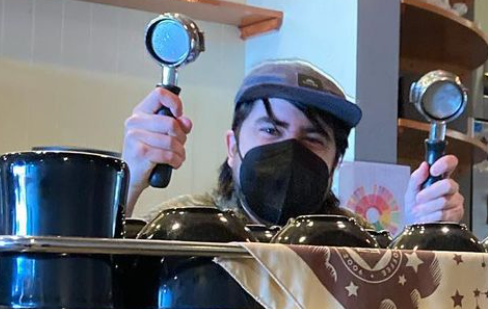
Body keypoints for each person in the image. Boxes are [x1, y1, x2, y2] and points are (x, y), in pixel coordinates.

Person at [122, 59, 465, 228]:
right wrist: (128, 184)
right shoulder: (182, 224)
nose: (290, 150)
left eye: (312, 138)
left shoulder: (354, 241)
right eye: (271, 130)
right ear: (232, 147)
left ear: (335, 163)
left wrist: (426, 235)